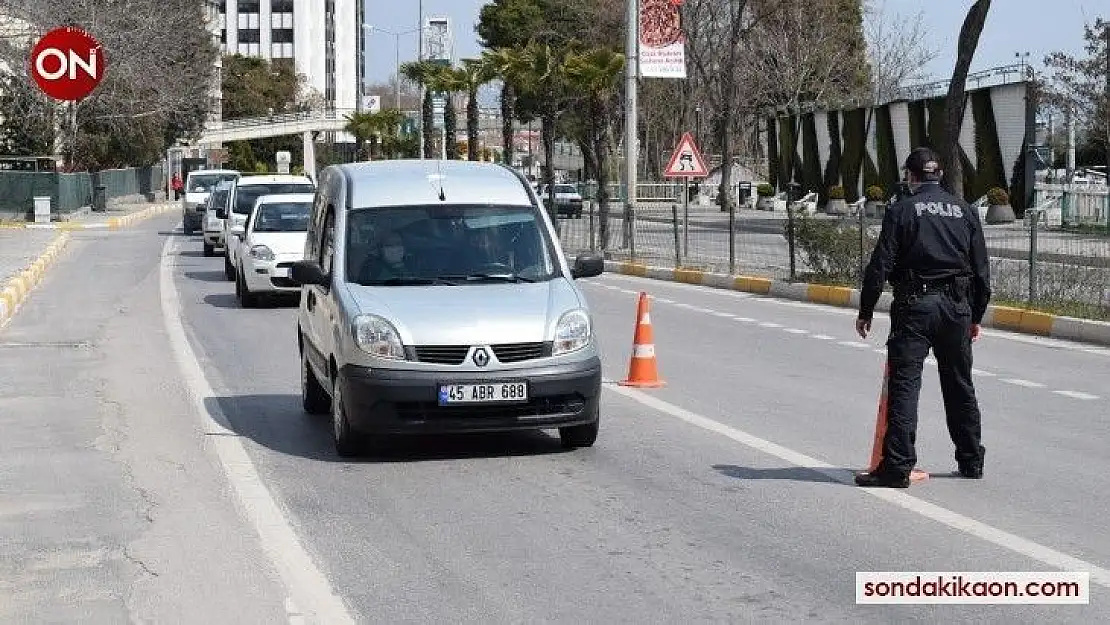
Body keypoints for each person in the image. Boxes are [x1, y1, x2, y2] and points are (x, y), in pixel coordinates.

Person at [853, 147, 992, 488]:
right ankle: (971, 460)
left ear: (910, 176)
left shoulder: (901, 210)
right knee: (960, 385)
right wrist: (976, 314)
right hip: (957, 307)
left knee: (905, 385)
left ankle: (896, 468)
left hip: (915, 306)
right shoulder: (965, 211)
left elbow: (880, 265)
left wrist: (866, 309)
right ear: (939, 174)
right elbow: (981, 269)